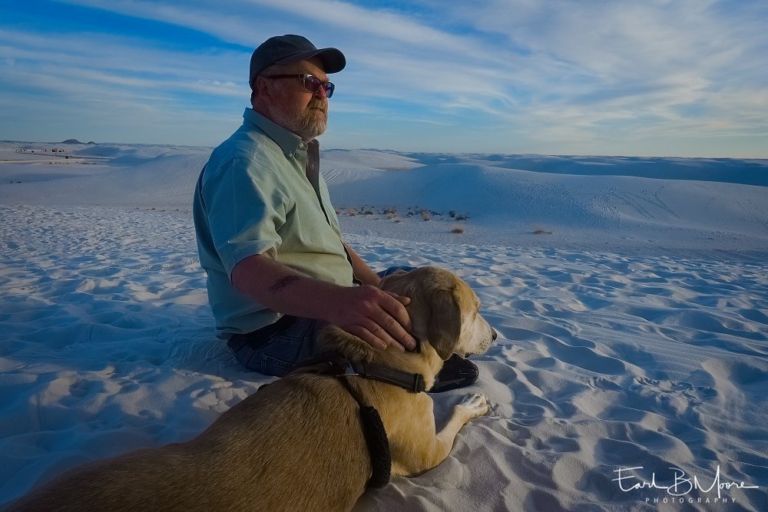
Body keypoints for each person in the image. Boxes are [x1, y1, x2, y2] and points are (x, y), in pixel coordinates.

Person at [193, 34, 477, 390]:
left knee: (424, 285)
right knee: (427, 339)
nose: (321, 96)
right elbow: (249, 270)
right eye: (309, 83)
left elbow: (331, 245)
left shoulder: (294, 156)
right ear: (264, 88)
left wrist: (376, 286)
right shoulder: (244, 162)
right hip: (273, 331)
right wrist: (341, 303)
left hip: (327, 299)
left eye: (327, 87)